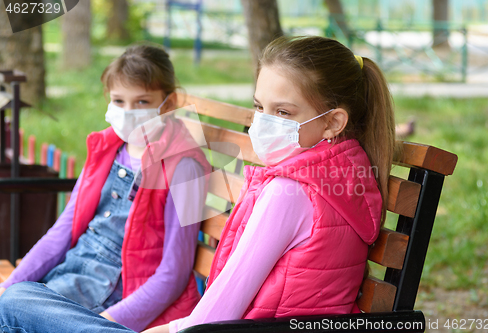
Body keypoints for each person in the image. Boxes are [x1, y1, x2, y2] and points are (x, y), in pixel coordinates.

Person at [0, 36, 397, 333]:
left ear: (333, 122)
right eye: (259, 107)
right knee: (18, 302)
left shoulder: (290, 191)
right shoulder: (344, 174)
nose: (262, 122)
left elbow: (217, 310)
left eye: (283, 112)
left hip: (206, 324)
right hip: (213, 321)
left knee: (17, 304)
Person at [0, 45, 211, 332]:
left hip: (117, 297)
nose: (128, 112)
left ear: (169, 103)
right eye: (119, 101)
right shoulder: (106, 149)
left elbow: (173, 274)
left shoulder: (184, 167)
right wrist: (9, 285)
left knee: (15, 306)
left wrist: (107, 323)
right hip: (73, 274)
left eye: (142, 102)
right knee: (13, 300)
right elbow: (61, 232)